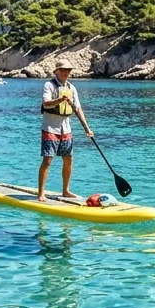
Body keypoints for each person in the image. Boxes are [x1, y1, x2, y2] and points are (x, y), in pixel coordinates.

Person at [37, 59, 93, 202]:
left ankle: (65, 191)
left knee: (68, 159)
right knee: (48, 160)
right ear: (56, 71)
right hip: (50, 128)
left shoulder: (72, 88)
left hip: (66, 129)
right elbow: (46, 103)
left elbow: (77, 108)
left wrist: (87, 128)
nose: (66, 73)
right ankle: (41, 193)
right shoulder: (49, 85)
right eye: (63, 70)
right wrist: (60, 100)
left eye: (68, 70)